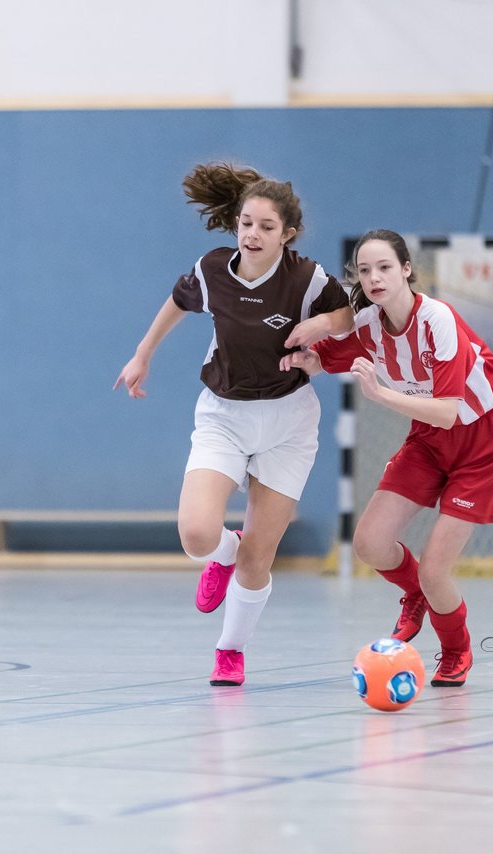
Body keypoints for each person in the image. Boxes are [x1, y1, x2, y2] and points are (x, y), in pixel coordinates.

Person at [115, 163, 352, 686]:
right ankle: (221, 554)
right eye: (246, 223)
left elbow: (349, 315)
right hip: (224, 414)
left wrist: (319, 323)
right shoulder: (214, 269)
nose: (252, 233)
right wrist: (142, 354)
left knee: (258, 559)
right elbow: (177, 303)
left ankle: (230, 651)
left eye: (266, 226)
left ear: (286, 234)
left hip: (289, 422)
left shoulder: (307, 278)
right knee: (197, 534)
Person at [283, 229, 493, 688]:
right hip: (428, 441)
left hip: (481, 445)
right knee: (369, 543)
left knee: (435, 569)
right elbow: (323, 359)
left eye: (385, 267)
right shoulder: (367, 325)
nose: (374, 278)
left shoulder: (438, 320)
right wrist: (301, 358)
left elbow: (450, 413)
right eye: (364, 271)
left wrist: (381, 395)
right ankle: (414, 595)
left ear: (406, 269)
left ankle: (455, 650)